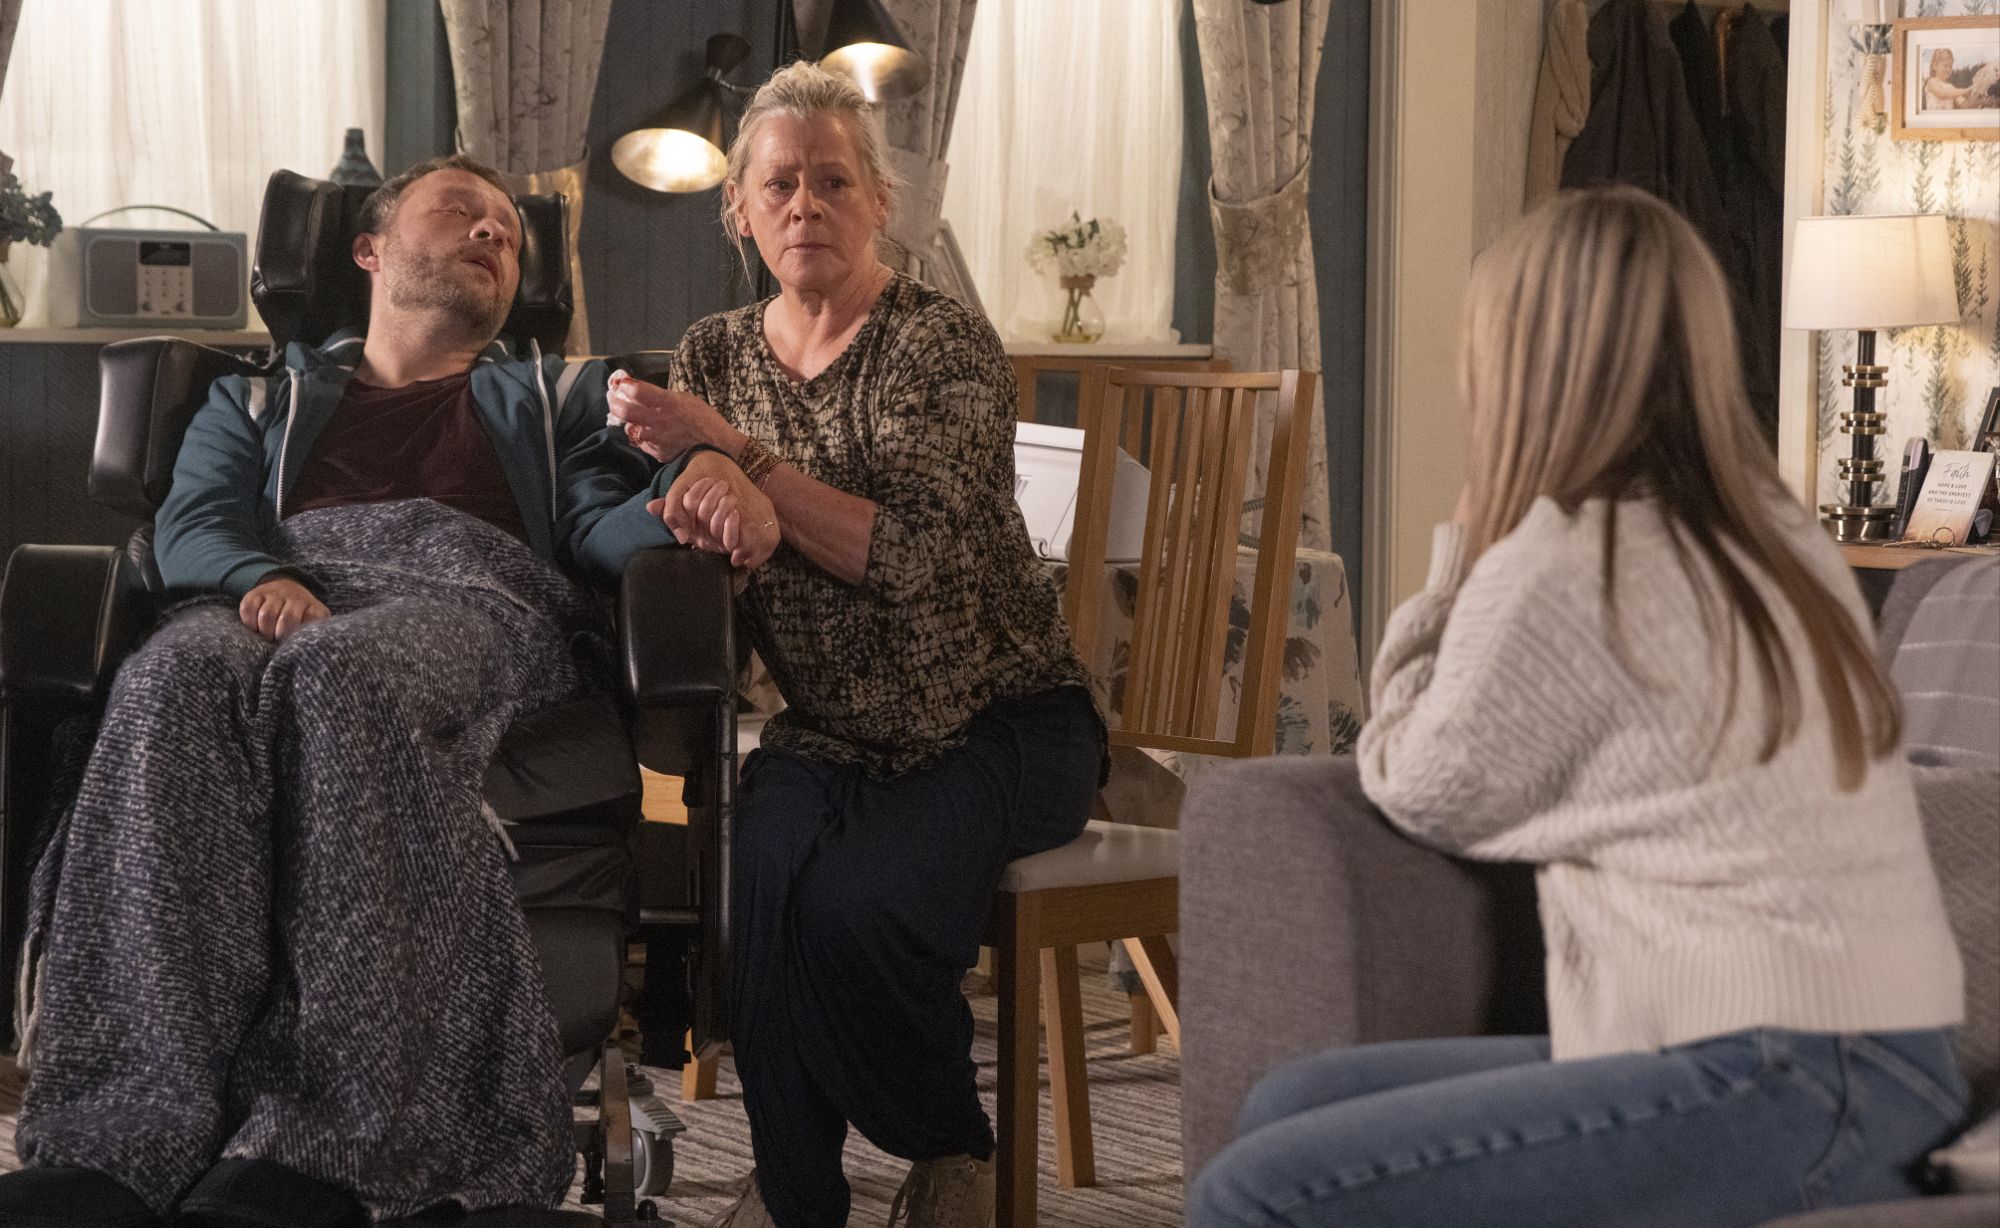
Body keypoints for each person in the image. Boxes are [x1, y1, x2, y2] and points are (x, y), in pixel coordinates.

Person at [1188, 187, 1969, 1228]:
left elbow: (1418, 783)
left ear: (1519, 366)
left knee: (1255, 1191)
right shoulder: (1778, 537)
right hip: (1885, 1062)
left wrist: (1461, 555)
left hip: (1785, 1081)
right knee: (1288, 1106)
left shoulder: (1565, 562)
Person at [0, 154, 736, 1228]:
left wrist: (689, 486)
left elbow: (596, 525)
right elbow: (195, 522)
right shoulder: (255, 396)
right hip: (278, 592)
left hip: (470, 599)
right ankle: (114, 1145)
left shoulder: (556, 395)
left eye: (507, 231)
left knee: (339, 671)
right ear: (370, 250)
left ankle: (329, 1150)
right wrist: (262, 578)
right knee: (170, 676)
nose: (492, 233)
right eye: (460, 211)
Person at [606, 61, 1105, 1228]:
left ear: (879, 201)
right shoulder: (715, 352)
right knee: (751, 898)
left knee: (853, 911)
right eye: (778, 184)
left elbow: (908, 556)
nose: (805, 205)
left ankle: (950, 1147)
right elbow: (706, 530)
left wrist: (743, 462)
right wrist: (717, 515)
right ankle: (797, 1198)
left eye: (832, 181)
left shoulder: (943, 345)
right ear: (739, 211)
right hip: (829, 731)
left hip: (999, 721)